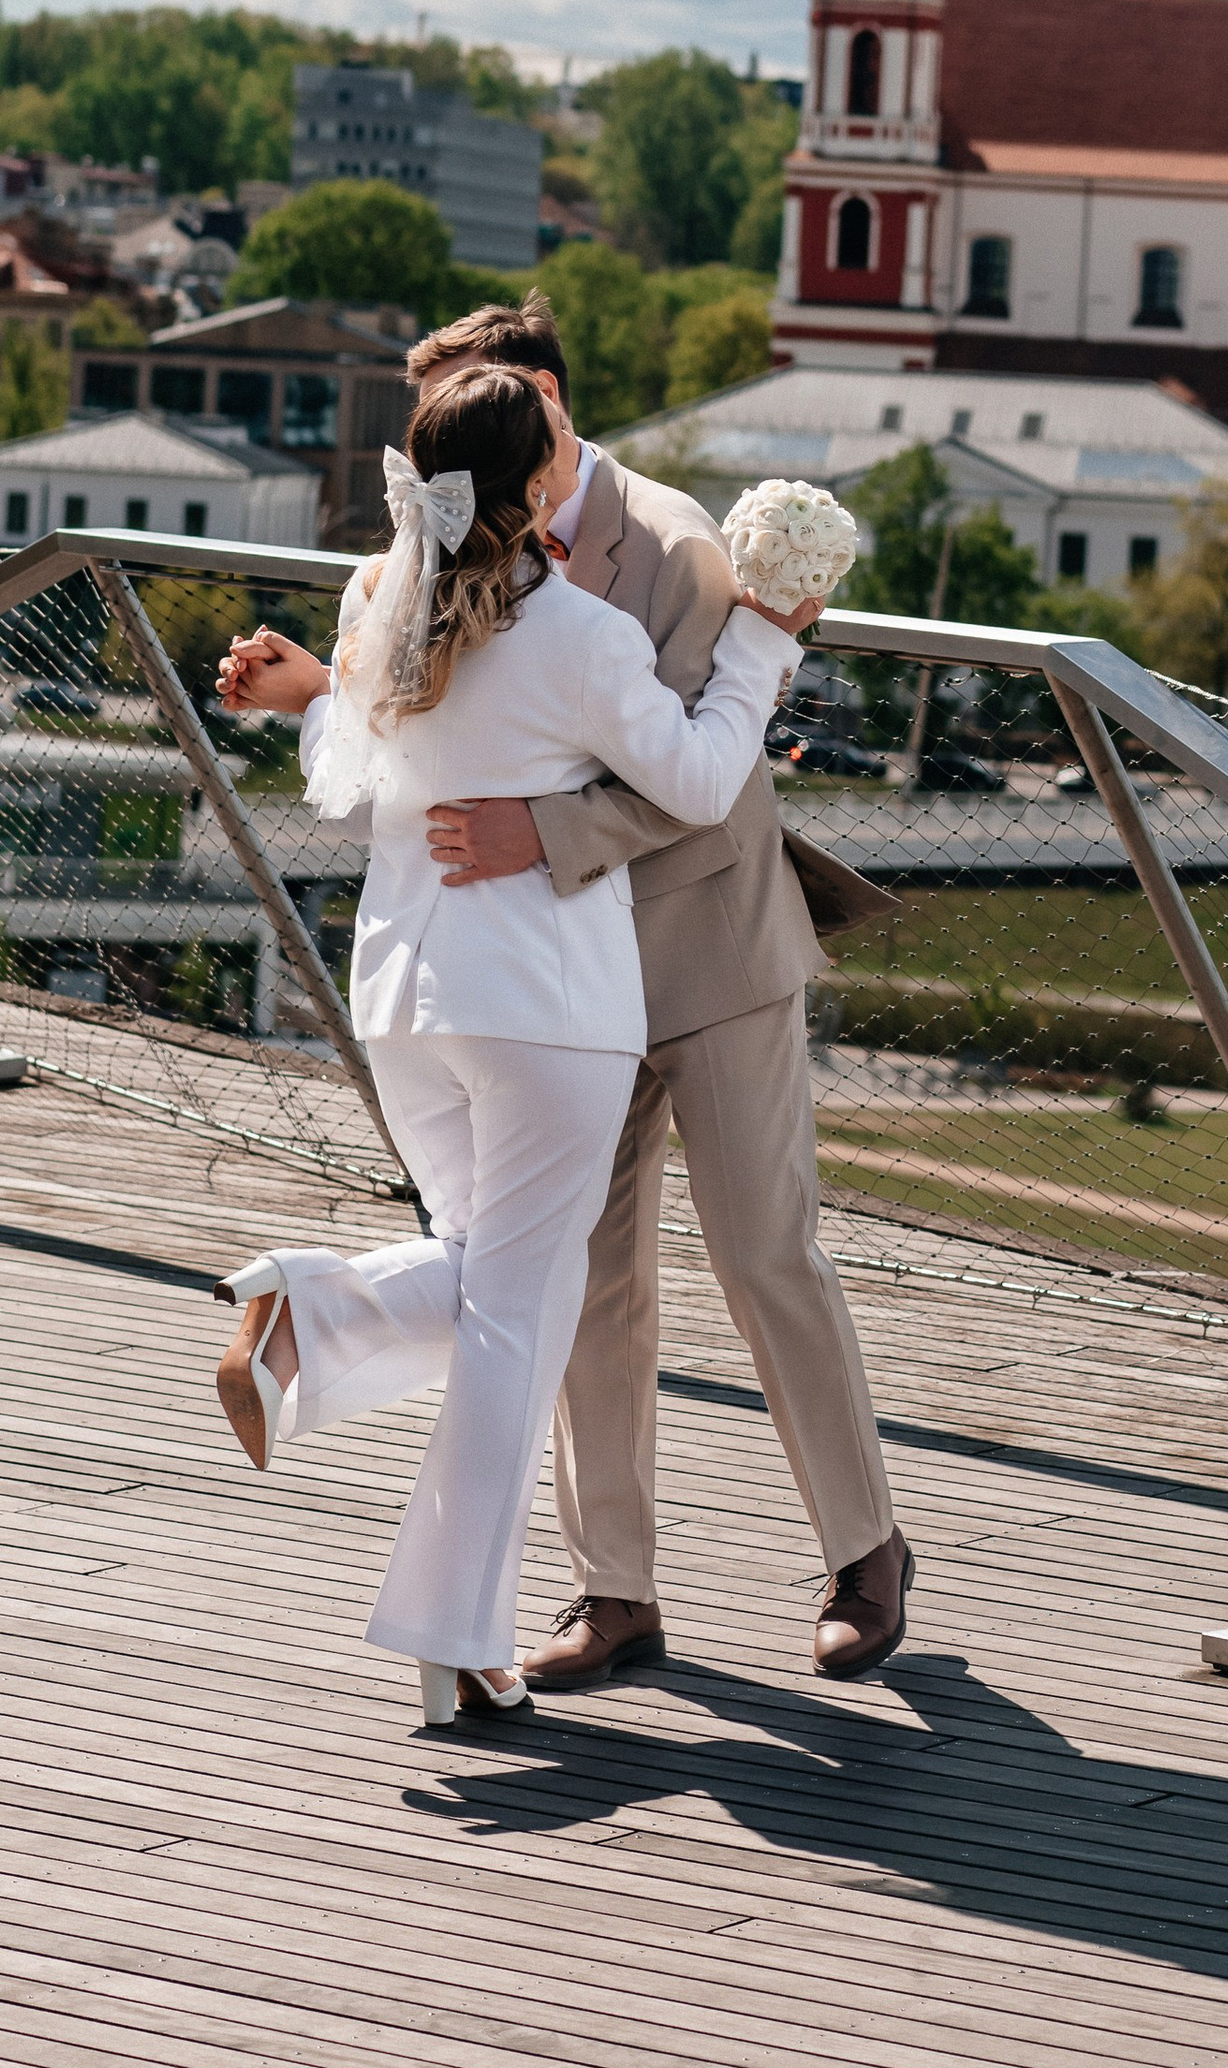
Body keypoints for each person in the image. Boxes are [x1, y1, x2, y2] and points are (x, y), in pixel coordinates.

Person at [211, 364, 822, 1728]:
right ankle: (439, 1610)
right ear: (539, 482)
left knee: (506, 1295)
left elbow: (347, 777)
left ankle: (313, 1337)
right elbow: (706, 781)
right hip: (546, 1008)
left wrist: (311, 699)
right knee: (513, 1325)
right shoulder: (585, 636)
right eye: (557, 440)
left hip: (402, 999)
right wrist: (767, 644)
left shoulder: (378, 604)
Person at [403, 297, 913, 1690]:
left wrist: (539, 835)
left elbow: (704, 773)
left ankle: (866, 1550)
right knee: (588, 1278)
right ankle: (615, 1590)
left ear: (552, 407)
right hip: (563, 978)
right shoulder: (455, 541)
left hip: (710, 956)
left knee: (764, 1256)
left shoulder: (679, 548)